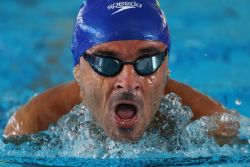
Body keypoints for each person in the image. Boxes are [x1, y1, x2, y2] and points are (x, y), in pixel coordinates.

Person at [3, 0, 236, 141]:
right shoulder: (33, 124)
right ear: (77, 71)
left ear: (166, 68)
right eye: (106, 62)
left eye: (147, 62)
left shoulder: (214, 125)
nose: (128, 81)